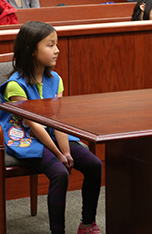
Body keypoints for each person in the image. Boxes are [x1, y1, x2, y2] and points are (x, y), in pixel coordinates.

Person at [0, 21, 102, 234]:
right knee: (60, 173)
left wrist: (65, 150)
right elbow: (34, 124)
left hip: (53, 134)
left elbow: (58, 121)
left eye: (57, 44)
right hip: (26, 137)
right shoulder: (15, 85)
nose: (57, 50)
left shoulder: (55, 79)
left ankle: (87, 224)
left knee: (94, 164)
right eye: (50, 45)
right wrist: (59, 155)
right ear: (31, 50)